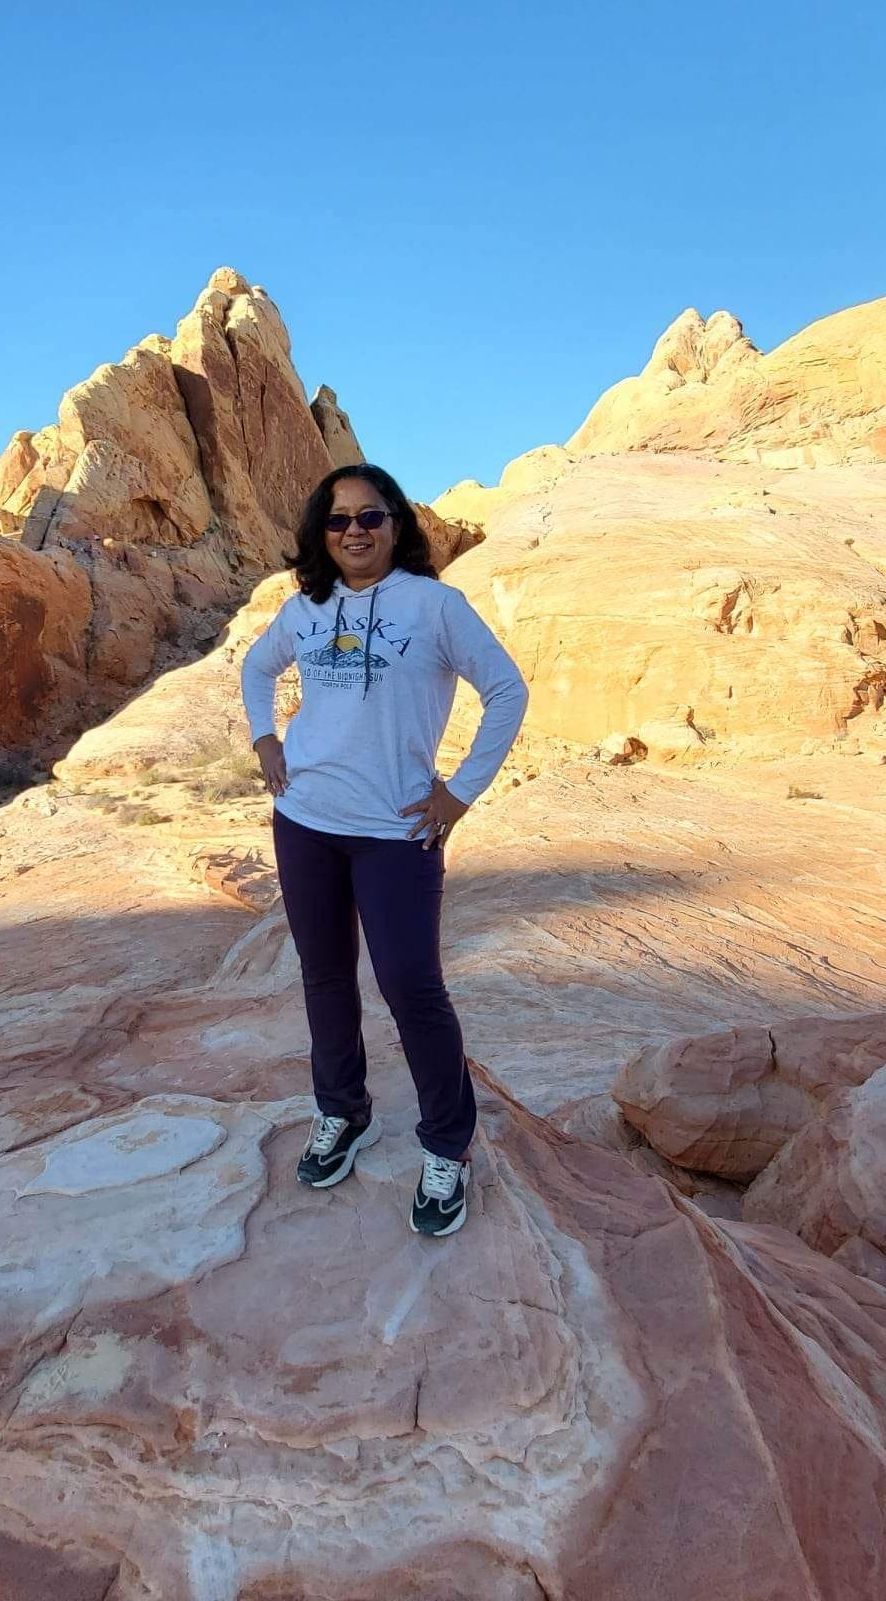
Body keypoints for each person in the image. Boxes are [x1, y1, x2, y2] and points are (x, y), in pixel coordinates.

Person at [240, 464, 528, 1238]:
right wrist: (265, 737)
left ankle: (447, 1144)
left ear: (397, 525)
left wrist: (460, 792)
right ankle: (343, 1111)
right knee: (325, 976)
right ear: (320, 534)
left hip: (395, 833)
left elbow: (507, 690)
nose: (355, 532)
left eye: (371, 517)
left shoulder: (436, 606)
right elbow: (255, 667)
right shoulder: (306, 608)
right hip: (305, 821)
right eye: (338, 522)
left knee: (411, 986)